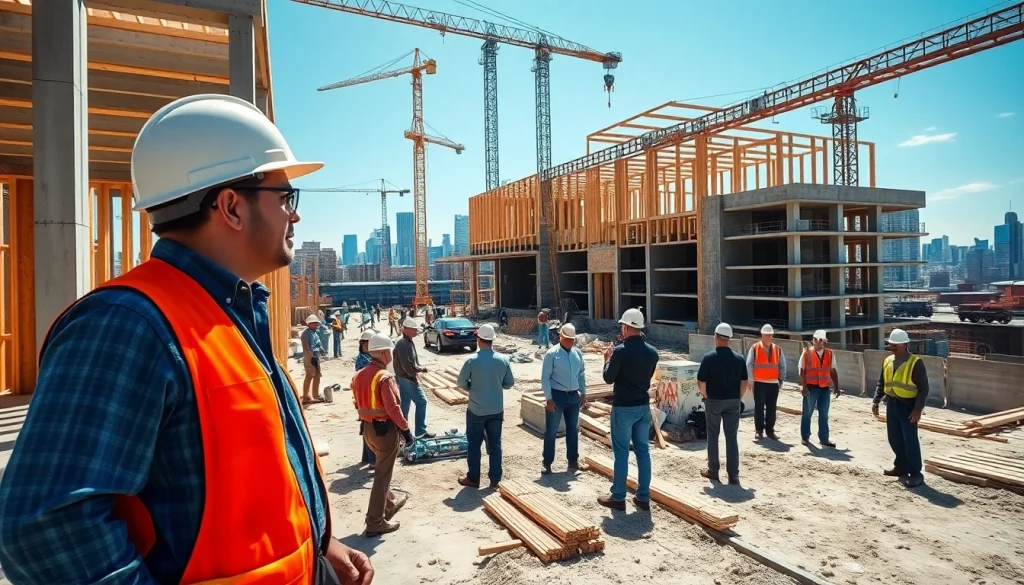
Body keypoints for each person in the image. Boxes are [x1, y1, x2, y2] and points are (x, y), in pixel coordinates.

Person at [0, 94, 372, 584]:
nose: (294, 217)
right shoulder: (128, 325)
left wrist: (318, 545)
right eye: (285, 199)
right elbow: (43, 527)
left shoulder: (229, 312)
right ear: (231, 207)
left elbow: (252, 473)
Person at [350, 332, 416, 536]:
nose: (392, 356)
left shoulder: (359, 374)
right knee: (382, 477)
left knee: (381, 470)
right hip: (384, 430)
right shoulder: (384, 378)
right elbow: (393, 409)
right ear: (383, 353)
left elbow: (356, 402)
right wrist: (406, 431)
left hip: (367, 430)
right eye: (390, 352)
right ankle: (375, 522)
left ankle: (387, 505)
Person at [598, 308, 659, 511]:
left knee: (622, 453)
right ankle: (643, 496)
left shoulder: (620, 351)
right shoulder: (652, 353)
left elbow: (608, 378)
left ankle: (618, 496)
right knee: (643, 451)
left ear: (625, 326)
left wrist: (607, 360)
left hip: (624, 408)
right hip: (643, 407)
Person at [456, 324, 515, 489]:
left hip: (476, 410)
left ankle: (474, 478)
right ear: (492, 340)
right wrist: (496, 384)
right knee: (495, 444)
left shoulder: (471, 361)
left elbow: (461, 382)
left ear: (479, 340)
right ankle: (495, 480)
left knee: (474, 444)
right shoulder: (503, 360)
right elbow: (509, 383)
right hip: (496, 409)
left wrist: (472, 388)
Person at [872, 328, 929, 488]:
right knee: (894, 437)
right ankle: (901, 466)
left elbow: (923, 389)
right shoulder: (888, 361)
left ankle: (915, 473)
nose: (892, 347)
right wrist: (876, 401)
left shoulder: (915, 363)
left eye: (896, 345)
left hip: (908, 407)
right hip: (892, 403)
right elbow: (881, 383)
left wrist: (917, 410)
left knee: (910, 440)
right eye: (891, 344)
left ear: (905, 344)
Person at [696, 323, 749, 485]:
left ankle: (713, 471)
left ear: (716, 337)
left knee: (713, 435)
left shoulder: (709, 358)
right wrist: (737, 397)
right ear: (729, 338)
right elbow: (744, 381)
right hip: (733, 401)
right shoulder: (739, 359)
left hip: (714, 401)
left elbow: (701, 381)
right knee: (731, 437)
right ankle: (733, 475)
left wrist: (705, 395)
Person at [540, 323, 587, 475]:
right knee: (551, 431)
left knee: (573, 430)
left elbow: (581, 374)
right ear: (561, 337)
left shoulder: (577, 354)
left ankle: (573, 461)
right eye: (567, 339)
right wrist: (549, 398)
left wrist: (583, 393)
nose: (570, 342)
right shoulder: (552, 354)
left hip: (573, 397)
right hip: (557, 396)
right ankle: (547, 463)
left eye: (572, 339)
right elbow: (545, 378)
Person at [393, 318, 435, 439]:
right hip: (407, 378)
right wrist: (413, 376)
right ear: (406, 329)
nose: (416, 332)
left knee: (405, 405)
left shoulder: (408, 342)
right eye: (414, 330)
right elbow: (406, 364)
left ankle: (401, 431)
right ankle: (420, 431)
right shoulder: (402, 343)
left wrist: (419, 369)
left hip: (403, 377)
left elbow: (410, 362)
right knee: (422, 401)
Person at [799, 330, 840, 448]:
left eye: (821, 340)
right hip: (811, 387)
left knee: (824, 414)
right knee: (807, 413)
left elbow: (832, 370)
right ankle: (805, 437)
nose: (818, 342)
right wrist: (804, 387)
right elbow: (802, 370)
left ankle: (824, 439)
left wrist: (836, 386)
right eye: (817, 340)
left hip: (824, 388)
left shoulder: (829, 354)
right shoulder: (806, 353)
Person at [746, 323, 787, 441]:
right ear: (762, 335)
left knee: (771, 408)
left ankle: (770, 431)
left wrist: (781, 380)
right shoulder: (755, 348)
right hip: (759, 383)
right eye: (767, 335)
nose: (769, 337)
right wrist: (751, 380)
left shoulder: (778, 349)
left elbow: (782, 366)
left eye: (770, 335)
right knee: (759, 407)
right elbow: (749, 364)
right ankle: (759, 430)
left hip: (773, 384)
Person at [356, 329, 378, 468]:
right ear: (364, 344)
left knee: (367, 425)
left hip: (365, 396)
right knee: (371, 427)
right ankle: (373, 461)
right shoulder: (363, 360)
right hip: (367, 396)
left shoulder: (367, 358)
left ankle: (366, 456)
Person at [301, 313, 326, 404]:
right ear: (309, 324)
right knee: (309, 376)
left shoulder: (315, 333)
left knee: (317, 376)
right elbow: (306, 346)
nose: (316, 325)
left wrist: (321, 349)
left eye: (316, 323)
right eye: (314, 323)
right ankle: (306, 397)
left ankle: (315, 395)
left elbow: (318, 343)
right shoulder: (305, 334)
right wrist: (310, 356)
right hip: (310, 356)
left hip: (316, 356)